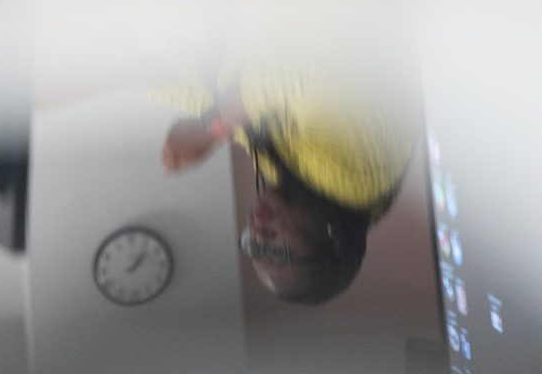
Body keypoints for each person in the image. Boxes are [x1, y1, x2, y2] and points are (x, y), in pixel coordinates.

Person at [155, 30, 419, 305]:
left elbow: (220, 94)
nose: (259, 235)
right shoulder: (359, 171)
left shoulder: (295, 182)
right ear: (331, 241)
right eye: (276, 253)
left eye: (254, 247)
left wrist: (130, 76)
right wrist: (214, 126)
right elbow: (305, 63)